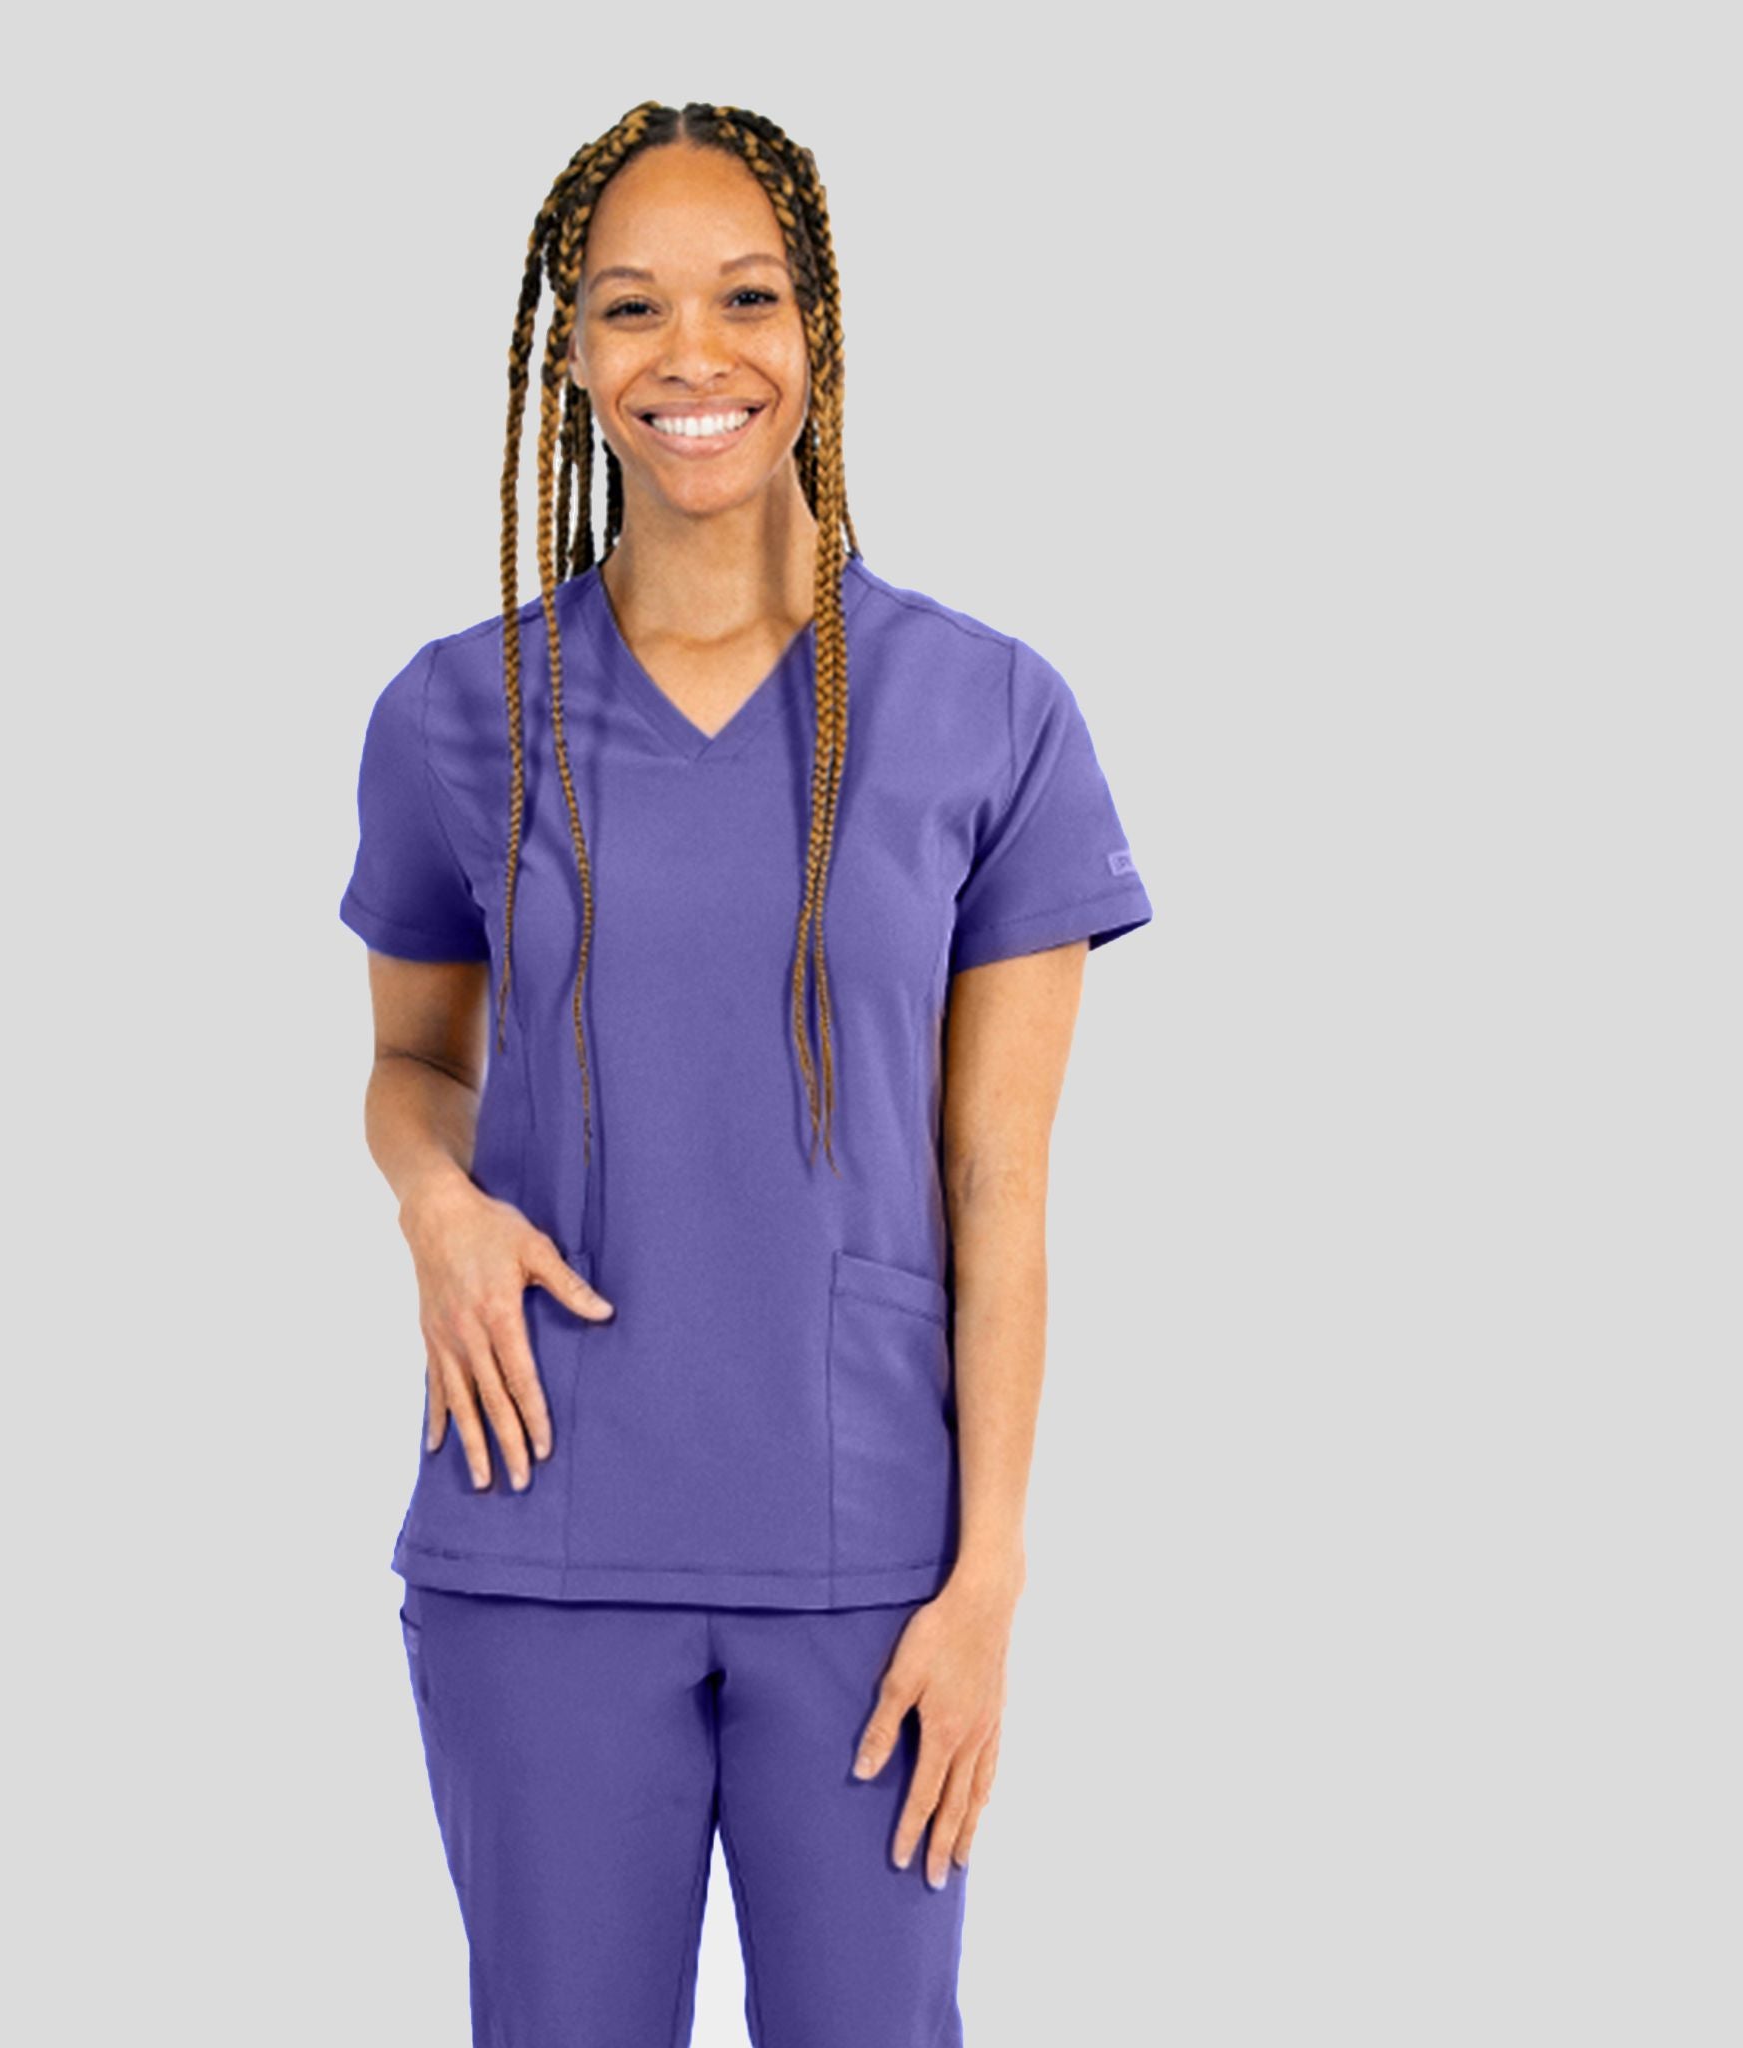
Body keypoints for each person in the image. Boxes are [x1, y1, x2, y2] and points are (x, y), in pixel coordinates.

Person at [339, 99, 1154, 2048]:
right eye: (631, 306)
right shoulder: (457, 712)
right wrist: (436, 1200)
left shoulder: (988, 713)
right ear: (570, 354)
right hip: (538, 1530)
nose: (690, 353)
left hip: (870, 1567)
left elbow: (1002, 1184)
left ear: (821, 332)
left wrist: (986, 1580)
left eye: (746, 297)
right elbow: (411, 1062)